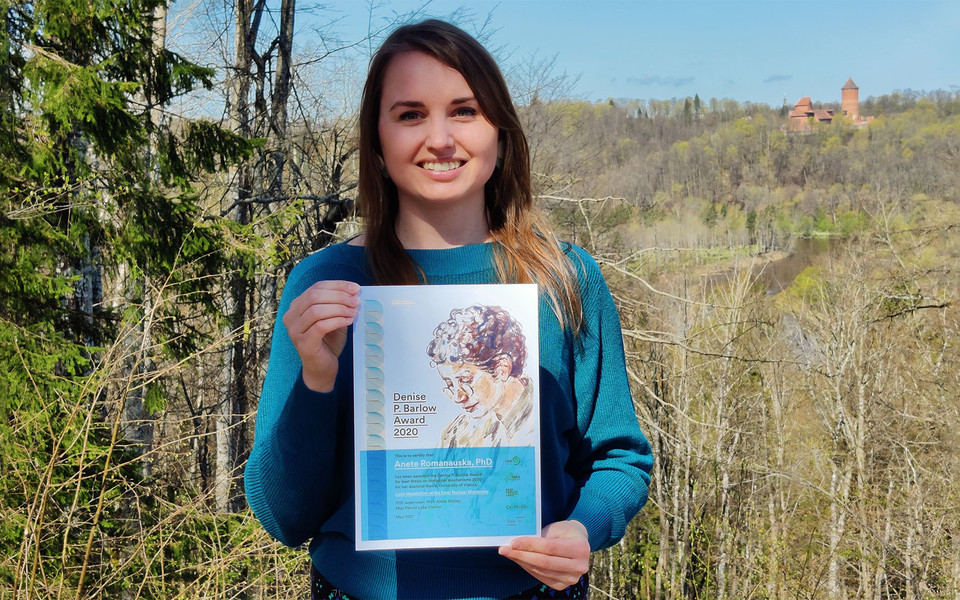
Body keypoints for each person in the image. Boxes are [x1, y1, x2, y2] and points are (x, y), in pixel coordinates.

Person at [244, 19, 653, 600]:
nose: (440, 138)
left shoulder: (563, 278)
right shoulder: (329, 284)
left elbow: (619, 457)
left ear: (501, 131)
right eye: (410, 114)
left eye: (464, 111)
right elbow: (282, 516)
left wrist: (584, 529)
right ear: (378, 141)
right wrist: (316, 379)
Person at [427, 304, 536, 448]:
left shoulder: (541, 419)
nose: (457, 397)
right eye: (449, 385)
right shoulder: (457, 434)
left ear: (501, 369)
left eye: (466, 380)